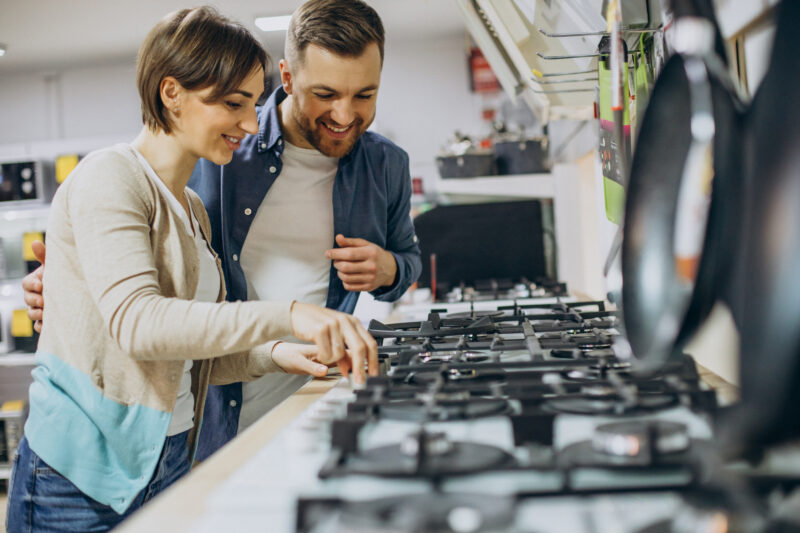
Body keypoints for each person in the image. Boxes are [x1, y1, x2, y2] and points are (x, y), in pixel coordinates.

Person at [7, 7, 377, 532]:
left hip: (168, 460)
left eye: (252, 105)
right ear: (171, 93)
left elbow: (189, 353)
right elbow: (141, 325)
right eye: (232, 104)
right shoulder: (108, 178)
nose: (250, 125)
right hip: (78, 479)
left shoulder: (191, 208)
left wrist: (278, 355)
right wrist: (290, 316)